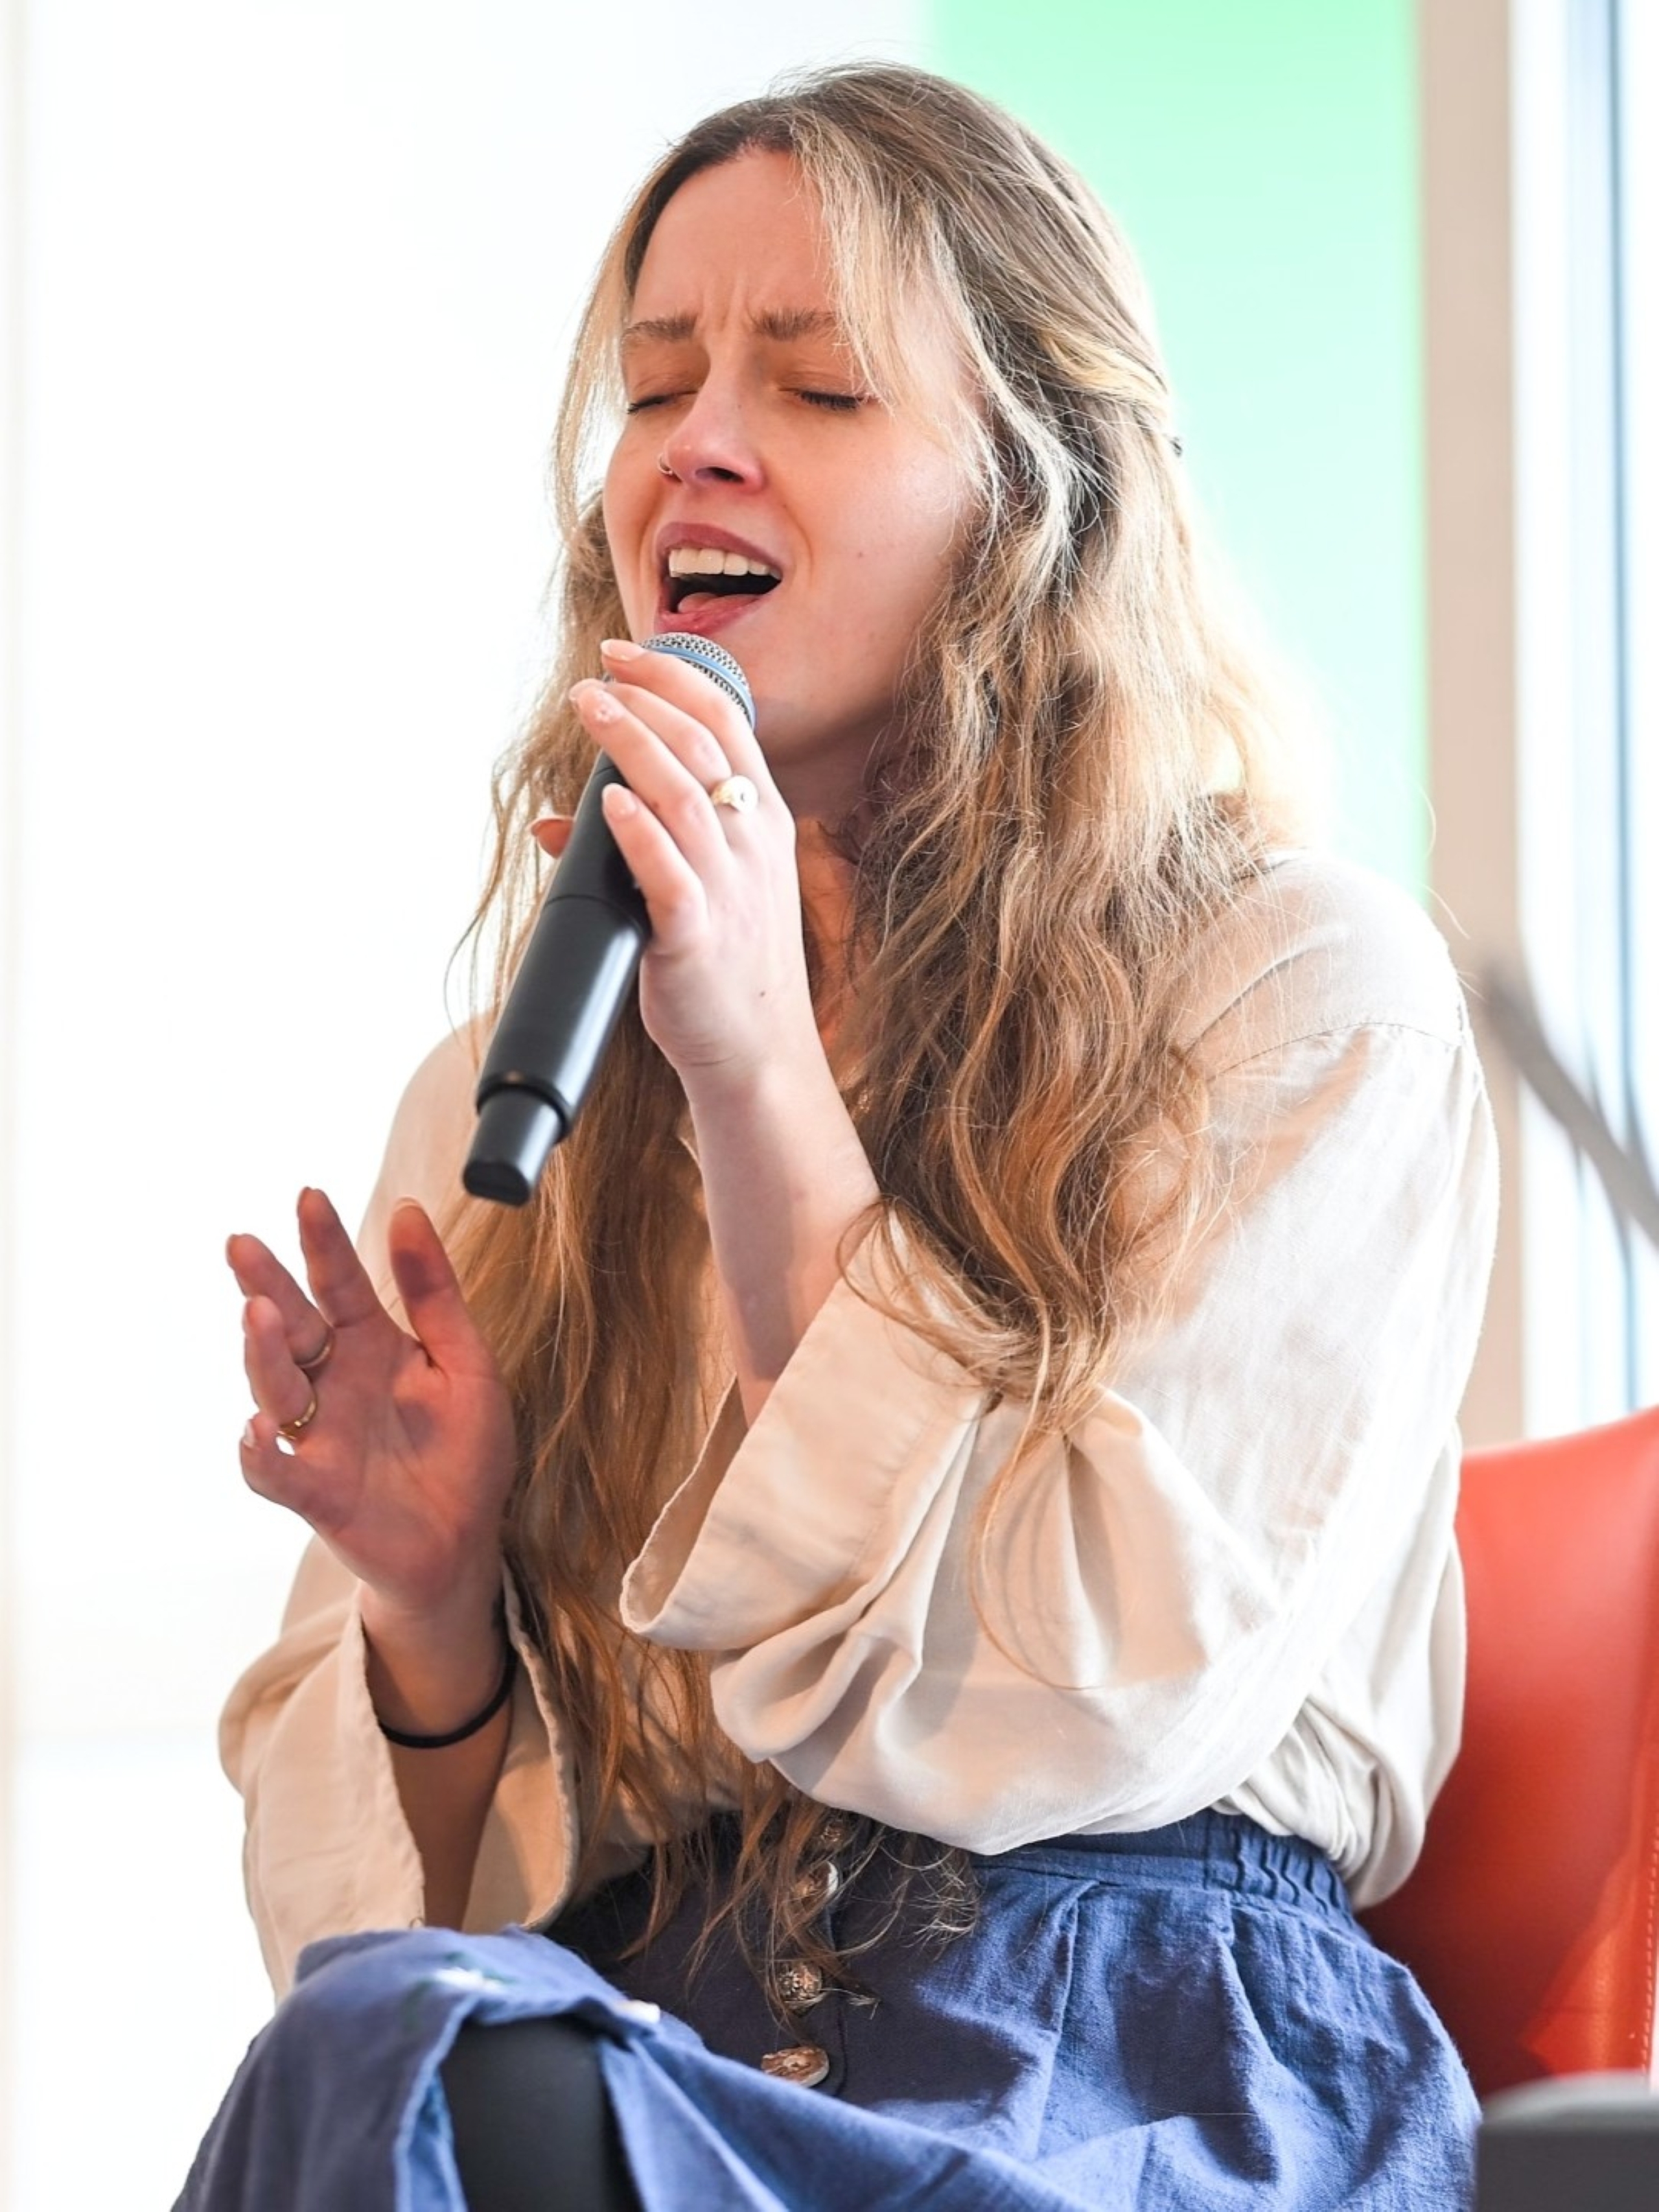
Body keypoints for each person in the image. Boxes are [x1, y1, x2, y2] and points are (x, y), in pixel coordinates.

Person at [179, 62, 1498, 2212]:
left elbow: (1080, 1711)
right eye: (654, 381)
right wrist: (430, 1611)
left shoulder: (1299, 998)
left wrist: (763, 1081)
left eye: (816, 387)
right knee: (394, 2060)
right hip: (669, 2029)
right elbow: (371, 1953)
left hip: (1135, 2049)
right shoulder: (512, 1091)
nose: (695, 443)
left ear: (1045, 498)